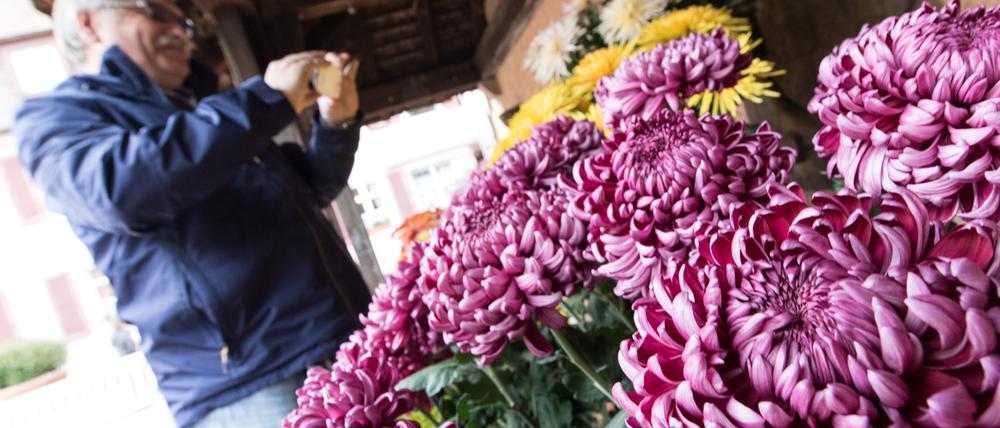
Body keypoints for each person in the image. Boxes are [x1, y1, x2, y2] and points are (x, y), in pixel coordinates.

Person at [13, 0, 372, 426]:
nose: (181, 31)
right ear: (89, 23)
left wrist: (337, 124)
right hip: (251, 387)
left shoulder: (206, 109)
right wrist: (264, 100)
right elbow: (121, 191)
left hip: (342, 338)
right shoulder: (54, 118)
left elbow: (309, 190)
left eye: (182, 21)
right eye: (155, 12)